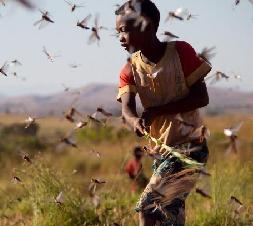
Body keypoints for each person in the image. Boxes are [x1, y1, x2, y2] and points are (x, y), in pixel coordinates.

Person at [115, 0, 212, 225]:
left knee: (148, 208)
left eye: (124, 30)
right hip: (161, 151)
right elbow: (127, 110)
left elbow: (201, 97)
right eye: (117, 32)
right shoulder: (129, 69)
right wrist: (135, 122)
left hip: (190, 147)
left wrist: (157, 111)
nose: (120, 37)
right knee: (169, 217)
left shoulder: (180, 52)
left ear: (145, 26)